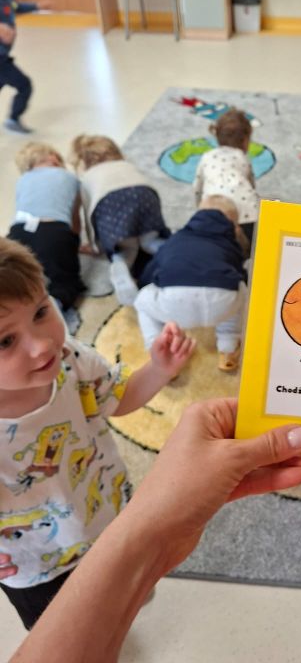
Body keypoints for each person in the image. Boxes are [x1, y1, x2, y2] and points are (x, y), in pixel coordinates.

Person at [7, 397, 301, 661]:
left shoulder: (72, 364)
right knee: (42, 617)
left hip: (104, 514)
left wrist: (154, 536)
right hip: (31, 563)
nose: (39, 350)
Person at [0, 237, 196, 631]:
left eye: (41, 312)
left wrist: (159, 370)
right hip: (38, 565)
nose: (42, 345)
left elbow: (117, 397)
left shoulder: (71, 360)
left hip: (108, 519)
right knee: (65, 635)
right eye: (5, 340)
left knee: (126, 598)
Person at [134, 195, 247, 372]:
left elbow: (153, 267)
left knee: (142, 300)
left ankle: (159, 350)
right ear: (234, 227)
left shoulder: (176, 239)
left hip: (175, 304)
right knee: (239, 289)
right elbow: (238, 271)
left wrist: (145, 283)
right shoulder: (232, 246)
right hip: (221, 304)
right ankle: (228, 346)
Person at [69, 134, 171, 306]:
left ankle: (121, 271)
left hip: (110, 202)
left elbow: (89, 215)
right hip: (145, 194)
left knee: (125, 249)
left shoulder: (87, 179)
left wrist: (95, 245)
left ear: (83, 162)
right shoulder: (127, 166)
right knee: (150, 240)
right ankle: (164, 249)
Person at [8, 142, 85, 313]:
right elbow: (75, 219)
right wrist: (75, 243)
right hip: (54, 232)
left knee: (15, 273)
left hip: (18, 231)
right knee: (63, 278)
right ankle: (54, 306)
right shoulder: (70, 178)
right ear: (54, 158)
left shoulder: (22, 180)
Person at [0, 0, 51, 134]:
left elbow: (17, 7)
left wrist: (37, 6)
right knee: (24, 85)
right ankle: (13, 119)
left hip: (3, 57)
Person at [193, 108, 260, 246]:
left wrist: (200, 208)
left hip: (215, 214)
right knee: (250, 246)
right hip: (248, 213)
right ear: (245, 141)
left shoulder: (207, 156)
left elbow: (197, 188)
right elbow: (251, 185)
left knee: (217, 246)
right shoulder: (242, 157)